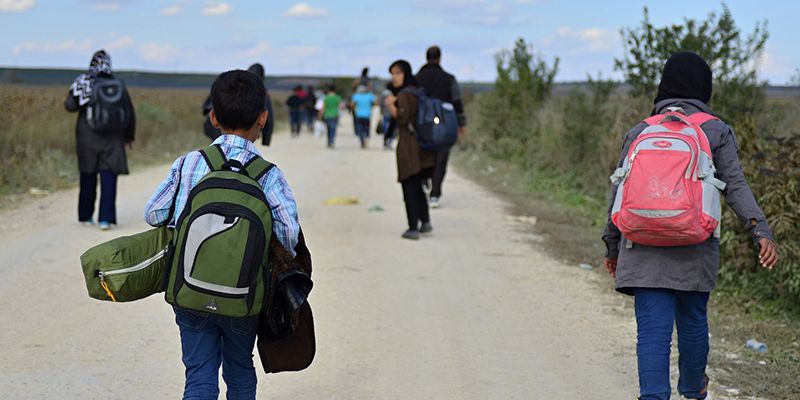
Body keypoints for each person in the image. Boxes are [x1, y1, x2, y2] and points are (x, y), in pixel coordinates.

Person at [601, 52, 779, 400]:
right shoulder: (714, 130)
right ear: (704, 87)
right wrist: (760, 230)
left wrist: (612, 247)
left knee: (652, 331)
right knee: (693, 320)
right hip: (694, 244)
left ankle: (653, 395)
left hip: (641, 245)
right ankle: (693, 391)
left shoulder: (639, 131)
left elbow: (617, 191)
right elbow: (736, 186)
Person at [144, 69, 300, 400]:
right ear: (263, 118)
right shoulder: (269, 175)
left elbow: (153, 214)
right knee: (240, 368)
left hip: (190, 288)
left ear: (214, 117)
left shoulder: (189, 163)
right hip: (243, 295)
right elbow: (288, 236)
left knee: (199, 374)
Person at [65, 49, 135, 231]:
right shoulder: (117, 85)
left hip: (87, 138)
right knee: (109, 176)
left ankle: (86, 216)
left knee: (87, 175)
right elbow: (129, 112)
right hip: (113, 139)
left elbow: (70, 106)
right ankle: (106, 219)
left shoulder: (85, 83)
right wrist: (129, 136)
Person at [385, 60, 435, 240]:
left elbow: (402, 119)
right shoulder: (418, 91)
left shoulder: (405, 95)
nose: (394, 77)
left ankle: (412, 227)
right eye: (392, 74)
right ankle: (425, 221)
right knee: (417, 185)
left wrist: (391, 105)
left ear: (405, 73)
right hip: (423, 147)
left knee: (409, 186)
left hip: (409, 147)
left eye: (398, 73)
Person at [415, 45, 467, 209]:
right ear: (439, 58)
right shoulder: (449, 78)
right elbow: (457, 101)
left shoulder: (417, 78)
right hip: (444, 123)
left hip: (422, 123)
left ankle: (424, 182)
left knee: (422, 153)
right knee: (441, 157)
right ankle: (435, 193)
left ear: (426, 57)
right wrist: (460, 124)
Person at [202, 63, 275, 146]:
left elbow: (206, 107)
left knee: (218, 150)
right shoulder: (261, 91)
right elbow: (269, 119)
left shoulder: (228, 86)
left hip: (218, 128)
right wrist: (266, 140)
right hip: (245, 134)